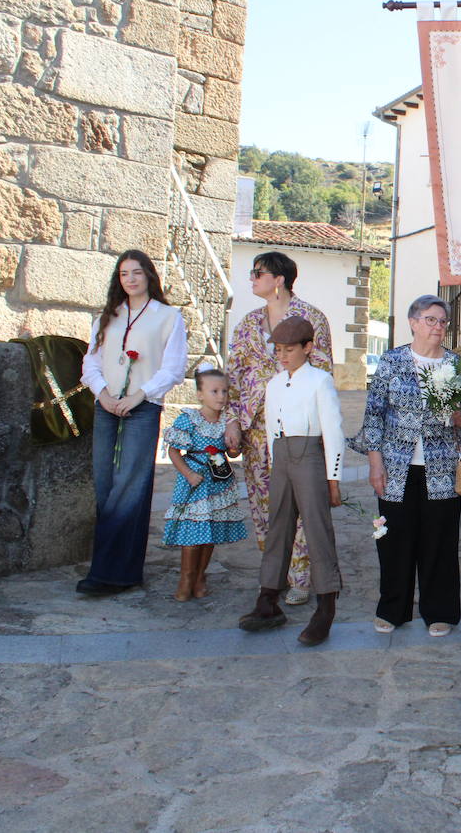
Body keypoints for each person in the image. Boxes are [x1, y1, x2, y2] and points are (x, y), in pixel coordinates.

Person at [350, 296, 461, 638]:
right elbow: (374, 415)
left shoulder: (456, 365)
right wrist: (375, 464)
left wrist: (456, 415)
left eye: (442, 322)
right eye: (430, 320)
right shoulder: (392, 361)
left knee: (440, 541)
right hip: (396, 466)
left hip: (442, 468)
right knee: (393, 539)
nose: (437, 327)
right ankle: (392, 608)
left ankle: (440, 611)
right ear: (413, 322)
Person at [225, 251, 333, 607]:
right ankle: (276, 573)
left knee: (302, 503)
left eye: (259, 273)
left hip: (299, 430)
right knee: (265, 504)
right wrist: (232, 420)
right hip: (257, 429)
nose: (252, 278)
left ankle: (301, 576)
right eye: (252, 272)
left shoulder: (312, 319)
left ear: (280, 279)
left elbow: (323, 373)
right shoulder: (247, 323)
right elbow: (233, 376)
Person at [77, 250, 189, 595]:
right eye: (124, 274)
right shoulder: (108, 317)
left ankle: (109, 573)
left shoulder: (168, 317)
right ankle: (120, 570)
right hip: (106, 405)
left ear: (149, 276)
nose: (130, 279)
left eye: (137, 272)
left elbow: (173, 368)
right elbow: (90, 364)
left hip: (143, 406)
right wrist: (105, 395)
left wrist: (139, 395)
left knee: (131, 486)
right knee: (105, 482)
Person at [238, 317, 344, 646]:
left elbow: (333, 431)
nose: (282, 356)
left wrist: (333, 478)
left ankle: (326, 607)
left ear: (307, 348)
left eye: (289, 350)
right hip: (281, 457)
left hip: (309, 454)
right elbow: (272, 429)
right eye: (279, 350)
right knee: (278, 529)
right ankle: (267, 599)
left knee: (316, 530)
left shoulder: (319, 381)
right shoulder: (273, 383)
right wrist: (272, 466)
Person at [161, 364, 248, 601]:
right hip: (194, 484)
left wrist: (233, 447)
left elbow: (230, 454)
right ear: (200, 394)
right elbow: (174, 451)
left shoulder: (227, 422)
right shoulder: (189, 419)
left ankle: (200, 575)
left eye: (224, 392)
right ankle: (186, 577)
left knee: (210, 532)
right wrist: (188, 474)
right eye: (214, 391)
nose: (221, 397)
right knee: (192, 532)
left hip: (217, 483)